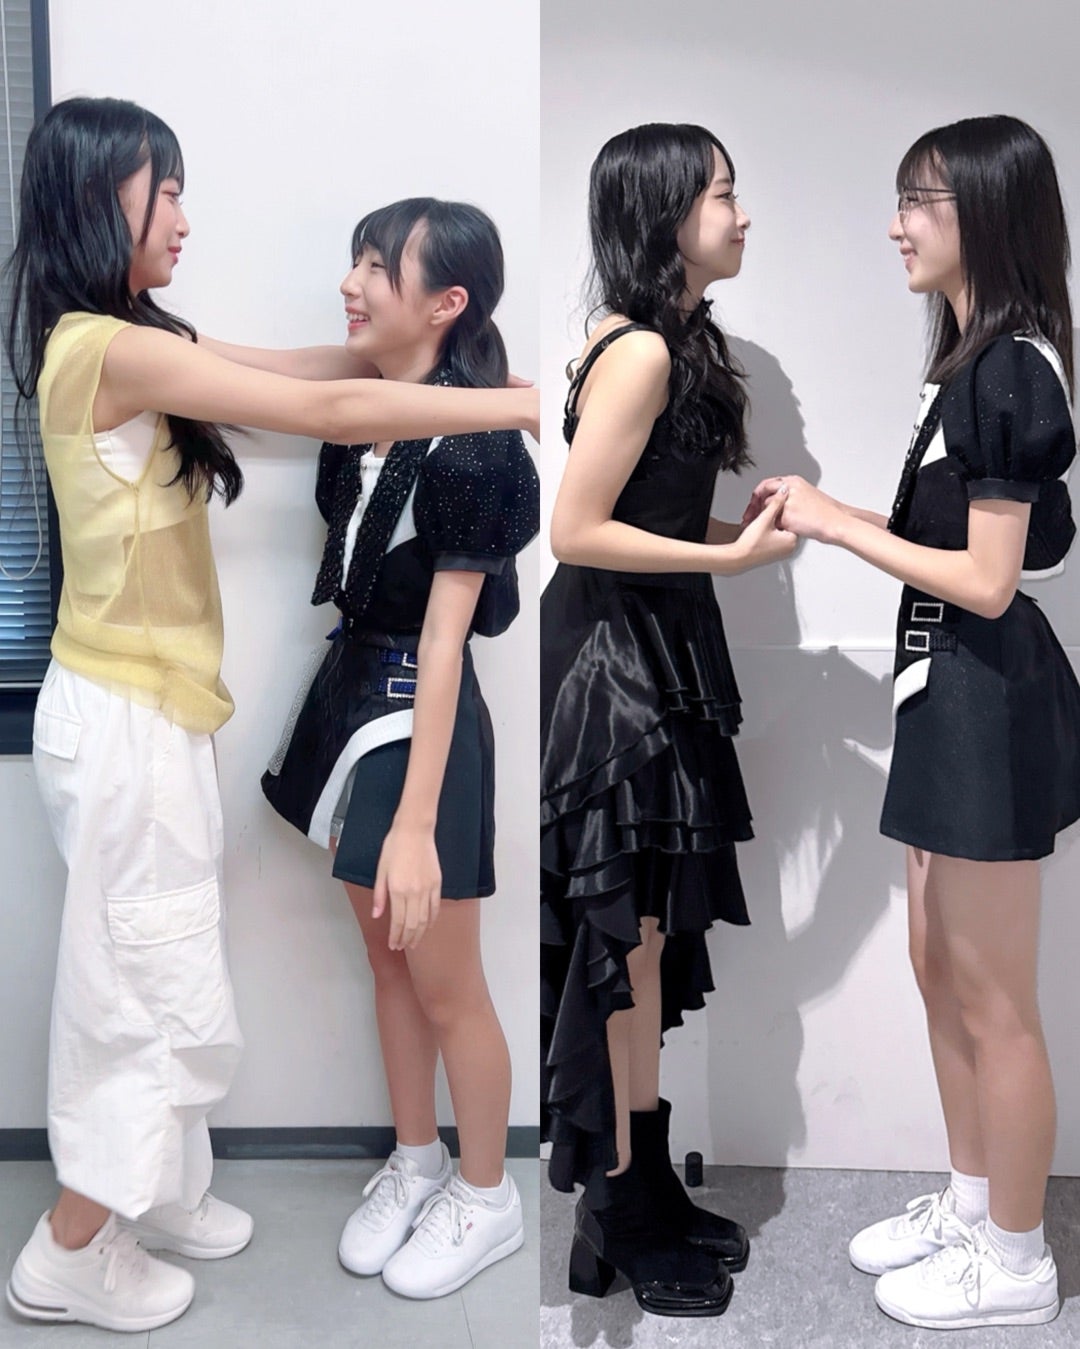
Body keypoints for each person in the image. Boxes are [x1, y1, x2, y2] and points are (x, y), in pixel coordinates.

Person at [2, 96, 537, 1335]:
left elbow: (294, 372)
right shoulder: (104, 348)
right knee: (135, 983)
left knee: (172, 958)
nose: (184, 217)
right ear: (100, 199)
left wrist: (430, 368)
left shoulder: (133, 336)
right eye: (165, 190)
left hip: (159, 710)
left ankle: (166, 1189)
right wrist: (511, 406)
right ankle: (72, 1245)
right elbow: (331, 413)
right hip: (123, 715)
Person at [750, 114, 1078, 1331]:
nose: (896, 225)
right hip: (944, 691)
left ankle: (1018, 1257)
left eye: (917, 203)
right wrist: (831, 513)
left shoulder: (1012, 370)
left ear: (984, 212)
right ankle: (972, 1201)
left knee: (995, 996)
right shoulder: (969, 362)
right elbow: (961, 552)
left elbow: (989, 580)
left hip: (986, 696)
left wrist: (837, 522)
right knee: (938, 969)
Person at [539, 122, 796, 1318]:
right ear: (665, 215)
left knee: (638, 941)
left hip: (650, 650)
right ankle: (619, 1205)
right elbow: (576, 527)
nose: (741, 216)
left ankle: (635, 1191)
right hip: (617, 668)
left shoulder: (668, 342)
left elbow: (641, 516)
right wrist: (730, 561)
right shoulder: (641, 350)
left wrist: (733, 539)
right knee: (624, 941)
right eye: (723, 195)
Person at [261, 196, 538, 1299]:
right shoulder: (367, 401)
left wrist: (419, 822)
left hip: (424, 716)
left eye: (378, 267)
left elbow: (443, 643)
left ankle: (489, 1192)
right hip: (350, 696)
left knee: (450, 981)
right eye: (356, 261)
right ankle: (417, 1160)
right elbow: (270, 373)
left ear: (444, 302)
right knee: (385, 957)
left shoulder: (474, 441)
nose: (352, 283)